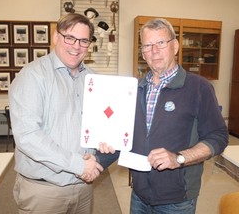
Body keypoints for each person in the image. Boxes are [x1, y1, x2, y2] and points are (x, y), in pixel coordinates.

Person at [97, 18, 229, 214]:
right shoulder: (134, 89)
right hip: (139, 195)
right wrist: (96, 161)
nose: (154, 51)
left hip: (177, 198)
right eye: (148, 45)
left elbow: (218, 137)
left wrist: (179, 158)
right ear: (143, 52)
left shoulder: (199, 88)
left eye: (161, 43)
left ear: (175, 46)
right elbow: (123, 135)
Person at [9, 13, 103, 214]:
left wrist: (104, 145)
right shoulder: (33, 75)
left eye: (84, 40)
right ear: (56, 37)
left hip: (83, 186)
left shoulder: (93, 80)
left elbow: (97, 127)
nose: (76, 46)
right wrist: (78, 164)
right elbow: (27, 136)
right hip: (44, 190)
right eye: (70, 37)